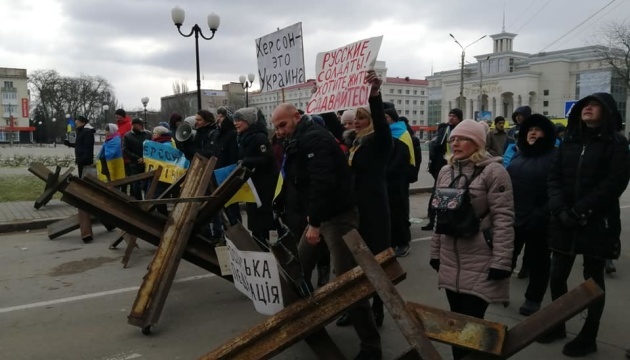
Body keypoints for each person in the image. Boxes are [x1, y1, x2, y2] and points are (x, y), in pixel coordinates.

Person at [272, 100, 382, 359]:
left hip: (337, 218)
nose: (279, 131)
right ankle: (306, 321)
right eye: (276, 127)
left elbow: (323, 182)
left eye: (283, 125)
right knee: (297, 269)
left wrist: (314, 223)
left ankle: (371, 347)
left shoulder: (315, 140)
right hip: (321, 216)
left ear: (297, 117)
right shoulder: (299, 139)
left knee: (346, 282)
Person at [540, 92, 630, 357]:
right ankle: (558, 324)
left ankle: (589, 335)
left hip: (596, 221)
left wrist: (581, 209)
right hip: (563, 219)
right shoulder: (568, 141)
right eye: (585, 105)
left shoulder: (616, 143)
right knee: (557, 275)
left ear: (608, 112)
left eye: (595, 105)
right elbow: (553, 177)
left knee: (593, 280)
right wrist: (559, 208)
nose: (588, 108)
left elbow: (615, 183)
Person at [429, 119, 514, 360]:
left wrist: (502, 262)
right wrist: (435, 253)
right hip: (450, 258)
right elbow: (440, 217)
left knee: (473, 325)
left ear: (477, 143)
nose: (456, 143)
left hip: (480, 258)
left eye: (463, 138)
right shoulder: (446, 171)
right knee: (456, 323)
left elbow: (504, 219)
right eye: (454, 138)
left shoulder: (494, 171)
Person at [346, 71, 392, 329]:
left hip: (374, 209)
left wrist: (374, 95)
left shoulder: (380, 142)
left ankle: (378, 309)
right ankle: (355, 308)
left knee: (376, 261)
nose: (356, 122)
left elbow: (382, 126)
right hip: (354, 210)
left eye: (362, 118)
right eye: (355, 119)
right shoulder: (354, 144)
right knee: (355, 262)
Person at [506, 114, 557, 316]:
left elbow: (558, 190)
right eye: (529, 130)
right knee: (506, 257)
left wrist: (543, 213)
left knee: (539, 263)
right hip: (515, 217)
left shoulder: (555, 156)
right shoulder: (520, 155)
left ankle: (533, 299)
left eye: (538, 129)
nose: (532, 133)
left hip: (540, 221)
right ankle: (497, 290)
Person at [233, 107, 277, 251]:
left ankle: (263, 245)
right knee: (253, 214)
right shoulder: (244, 136)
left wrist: (246, 161)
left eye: (239, 120)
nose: (236, 123)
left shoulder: (259, 137)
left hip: (262, 183)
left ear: (248, 121)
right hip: (251, 183)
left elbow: (268, 159)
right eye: (235, 120)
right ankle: (258, 242)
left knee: (261, 215)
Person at [423, 108, 463, 231]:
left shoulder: (462, 130)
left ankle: (451, 219)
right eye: (450, 115)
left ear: (459, 119)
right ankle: (433, 219)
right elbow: (436, 147)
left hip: (457, 166)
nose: (451, 118)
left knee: (456, 194)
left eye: (454, 116)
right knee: (438, 192)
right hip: (442, 167)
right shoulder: (444, 130)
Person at [210, 106, 241, 237]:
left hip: (228, 175)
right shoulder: (218, 134)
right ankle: (227, 235)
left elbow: (234, 156)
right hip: (218, 174)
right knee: (223, 209)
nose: (218, 119)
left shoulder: (232, 134)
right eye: (218, 116)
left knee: (232, 208)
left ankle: (239, 236)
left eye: (221, 116)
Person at [123, 118, 152, 200]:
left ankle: (147, 200)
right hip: (134, 163)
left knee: (147, 183)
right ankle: (138, 201)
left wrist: (145, 158)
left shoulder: (148, 134)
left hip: (146, 162)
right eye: (140, 124)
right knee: (136, 184)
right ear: (134, 125)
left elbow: (152, 147)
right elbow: (125, 150)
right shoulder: (127, 136)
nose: (142, 126)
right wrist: (137, 158)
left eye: (142, 124)